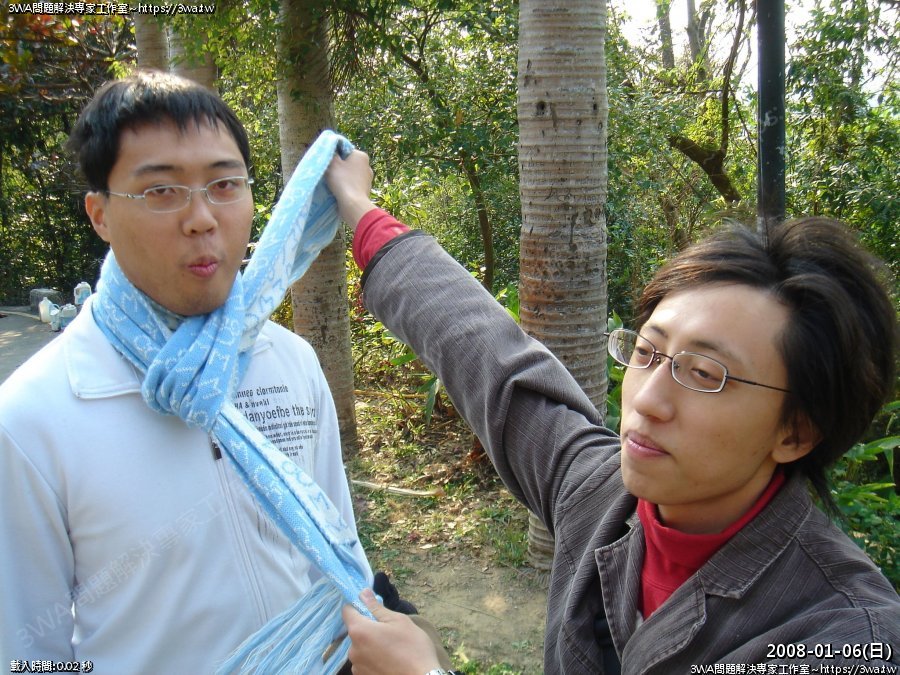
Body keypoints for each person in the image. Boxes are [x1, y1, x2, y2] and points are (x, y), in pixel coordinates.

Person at [325, 150, 900, 674]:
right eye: (647, 352)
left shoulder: (848, 638)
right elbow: (481, 350)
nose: (646, 399)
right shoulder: (599, 496)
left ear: (796, 432)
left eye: (704, 374)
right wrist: (356, 203)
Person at [0, 71, 376, 674]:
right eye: (161, 191)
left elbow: (335, 552)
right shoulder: (35, 416)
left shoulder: (289, 361)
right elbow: (26, 656)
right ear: (99, 215)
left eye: (224, 185)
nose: (202, 218)